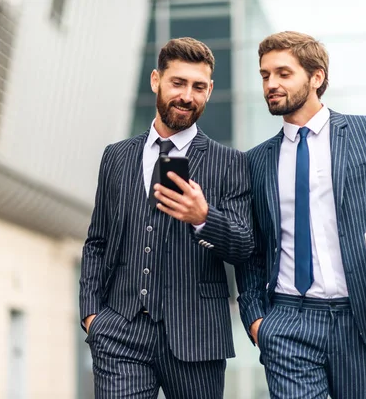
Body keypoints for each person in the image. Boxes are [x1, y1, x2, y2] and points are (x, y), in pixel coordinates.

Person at [236, 31, 366, 398]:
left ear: (316, 77)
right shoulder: (256, 161)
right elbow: (254, 248)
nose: (271, 84)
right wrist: (256, 319)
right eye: (265, 75)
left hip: (359, 323)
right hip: (286, 322)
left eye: (283, 73)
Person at [80, 37, 254, 399]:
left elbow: (244, 245)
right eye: (178, 83)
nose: (187, 96)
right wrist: (92, 315)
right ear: (156, 80)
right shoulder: (116, 157)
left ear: (210, 90)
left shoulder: (231, 162)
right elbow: (97, 242)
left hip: (197, 337)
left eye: (199, 87)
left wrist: (204, 218)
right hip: (120, 332)